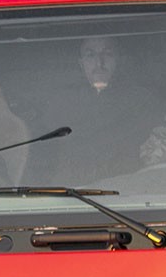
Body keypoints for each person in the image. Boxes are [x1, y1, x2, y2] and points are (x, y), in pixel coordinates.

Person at [45, 37, 160, 184]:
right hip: (71, 194)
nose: (99, 63)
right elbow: (49, 156)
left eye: (107, 54)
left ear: (119, 60)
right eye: (90, 55)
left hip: (128, 192)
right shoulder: (60, 103)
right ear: (81, 64)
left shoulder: (143, 101)